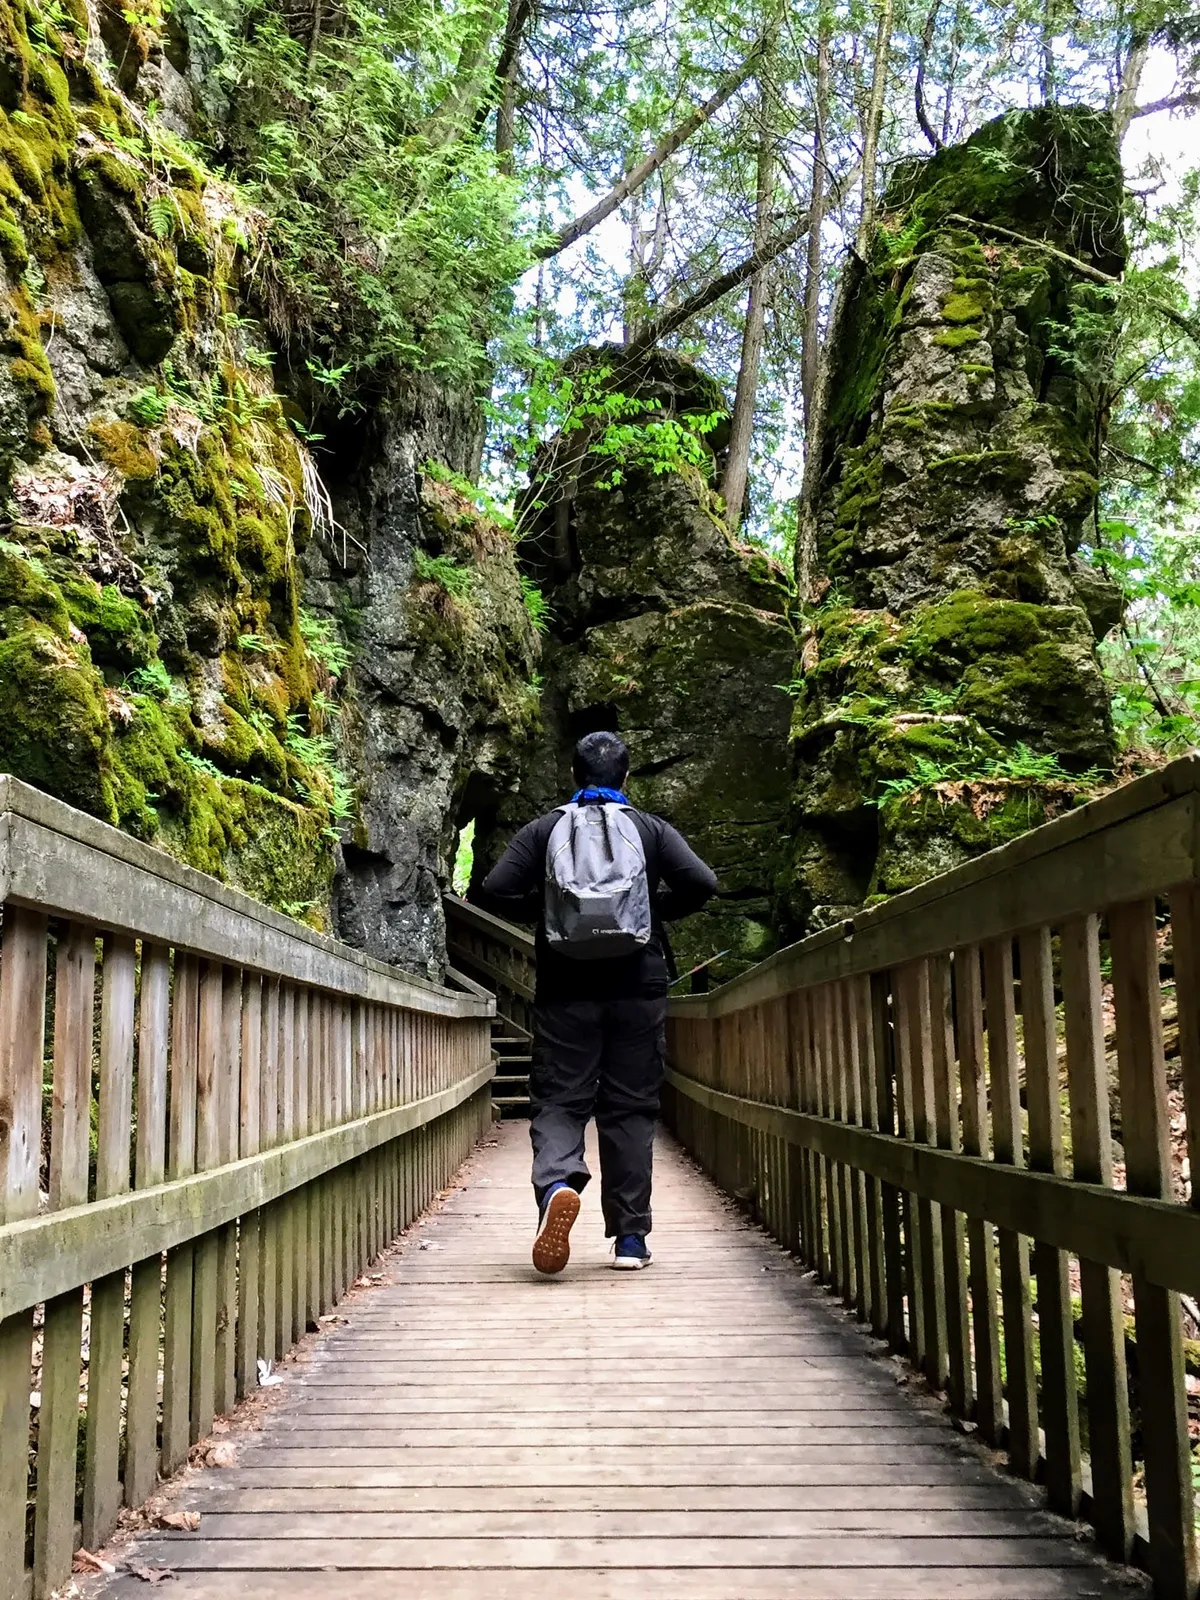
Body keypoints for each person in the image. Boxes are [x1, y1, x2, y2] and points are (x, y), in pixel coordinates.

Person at [475, 731, 718, 1274]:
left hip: (566, 990)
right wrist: (651, 914)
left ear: (573, 775)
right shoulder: (650, 829)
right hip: (638, 988)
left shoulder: (544, 830)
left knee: (560, 1099)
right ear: (626, 778)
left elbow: (492, 889)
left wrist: (553, 918)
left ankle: (557, 1184)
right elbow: (703, 883)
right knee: (630, 1108)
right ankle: (630, 1240)